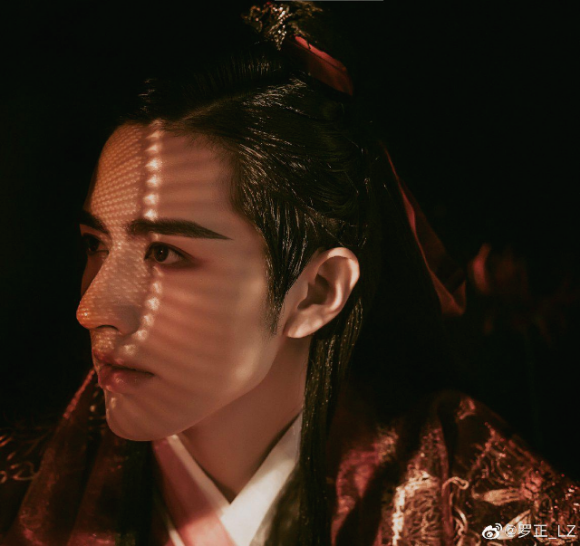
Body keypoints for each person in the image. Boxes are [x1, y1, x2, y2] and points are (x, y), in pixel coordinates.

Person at [1, 2, 578, 545]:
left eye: (165, 254)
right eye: (95, 245)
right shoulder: (20, 486)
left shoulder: (493, 505)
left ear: (317, 292)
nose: (91, 308)